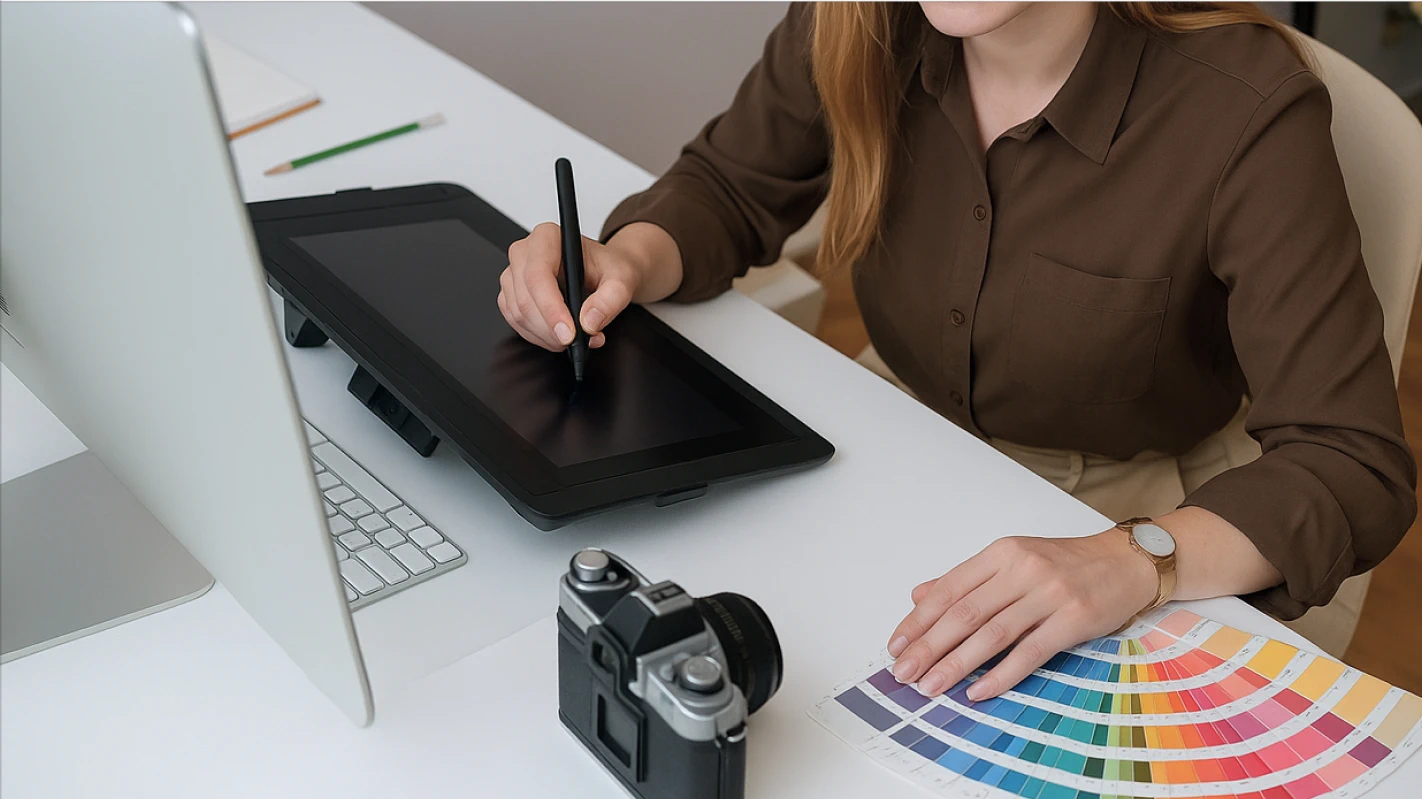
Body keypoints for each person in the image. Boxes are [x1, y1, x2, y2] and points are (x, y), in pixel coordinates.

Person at [498, 2, 1416, 700]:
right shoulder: (861, 20)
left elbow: (1351, 462)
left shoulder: (1243, 110)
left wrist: (1137, 558)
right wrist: (624, 259)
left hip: (1133, 499)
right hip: (893, 434)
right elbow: (732, 185)